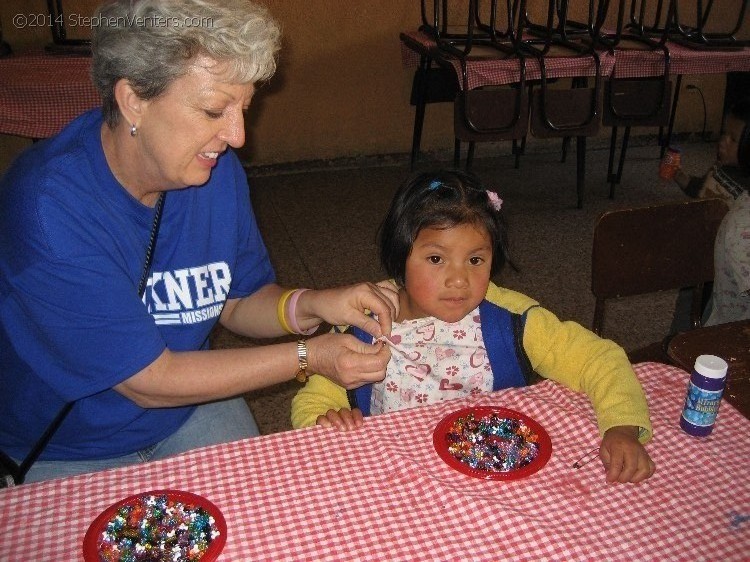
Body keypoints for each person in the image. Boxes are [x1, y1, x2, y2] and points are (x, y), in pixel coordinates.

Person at [0, 0, 398, 484]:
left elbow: (237, 300)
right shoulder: (47, 207)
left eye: (243, 109)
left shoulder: (214, 171)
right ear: (133, 101)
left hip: (188, 406)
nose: (236, 136)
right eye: (214, 110)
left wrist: (315, 305)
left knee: (268, 526)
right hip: (70, 443)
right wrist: (308, 356)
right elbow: (150, 382)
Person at [292, 169, 656, 484]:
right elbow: (316, 394)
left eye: (475, 259)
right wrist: (323, 421)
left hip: (491, 478)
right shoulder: (364, 324)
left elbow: (599, 358)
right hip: (394, 475)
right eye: (436, 258)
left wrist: (621, 428)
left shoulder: (511, 319)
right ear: (399, 257)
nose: (459, 280)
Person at [672, 97, 750, 327]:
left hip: (721, 264)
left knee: (703, 307)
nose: (723, 142)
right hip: (700, 251)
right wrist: (679, 176)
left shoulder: (743, 192)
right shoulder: (720, 170)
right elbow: (700, 189)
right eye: (724, 134)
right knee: (687, 308)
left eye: (733, 139)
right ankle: (677, 342)